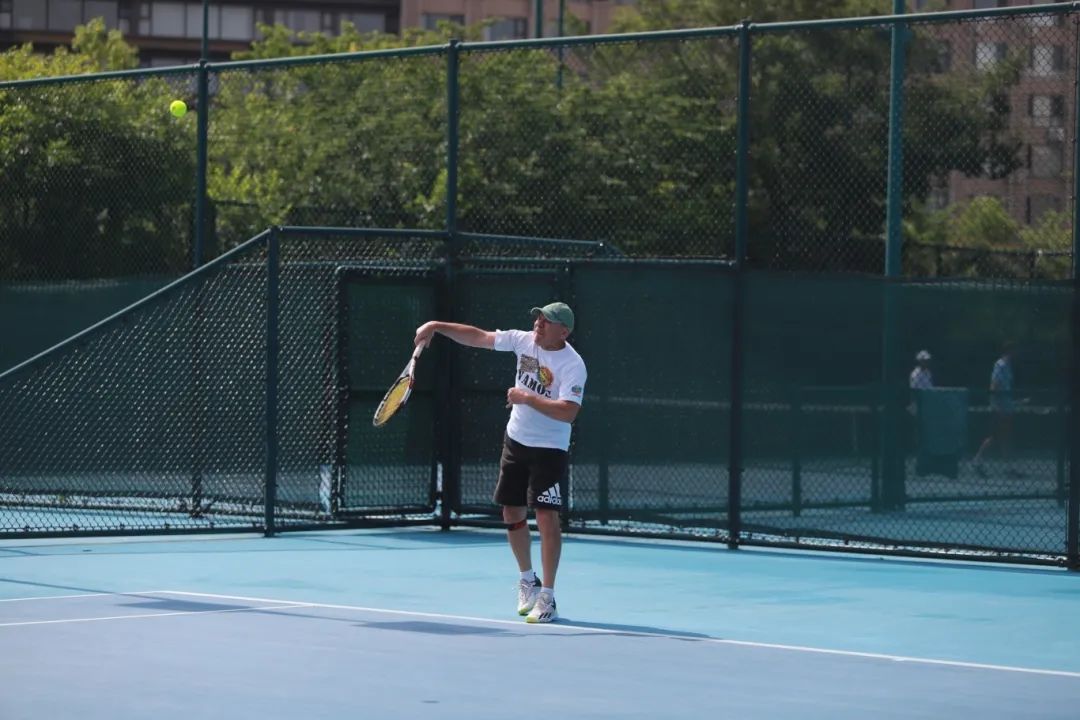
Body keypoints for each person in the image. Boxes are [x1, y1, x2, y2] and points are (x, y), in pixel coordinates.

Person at [414, 302, 586, 624]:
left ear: (563, 331)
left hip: (549, 449)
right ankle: (528, 580)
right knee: (511, 512)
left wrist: (527, 398)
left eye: (547, 321)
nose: (538, 323)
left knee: (546, 518)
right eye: (538, 318)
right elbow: (478, 337)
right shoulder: (523, 341)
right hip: (516, 441)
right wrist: (436, 325)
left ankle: (548, 597)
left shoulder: (573, 365)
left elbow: (568, 412)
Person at [973, 342, 1018, 478]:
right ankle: (977, 461)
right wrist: (996, 405)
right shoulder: (1000, 365)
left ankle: (1008, 467)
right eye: (1014, 350)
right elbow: (994, 385)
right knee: (995, 436)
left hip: (1006, 406)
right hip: (1000, 406)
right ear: (1008, 351)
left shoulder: (1008, 366)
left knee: (1005, 436)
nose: (1016, 353)